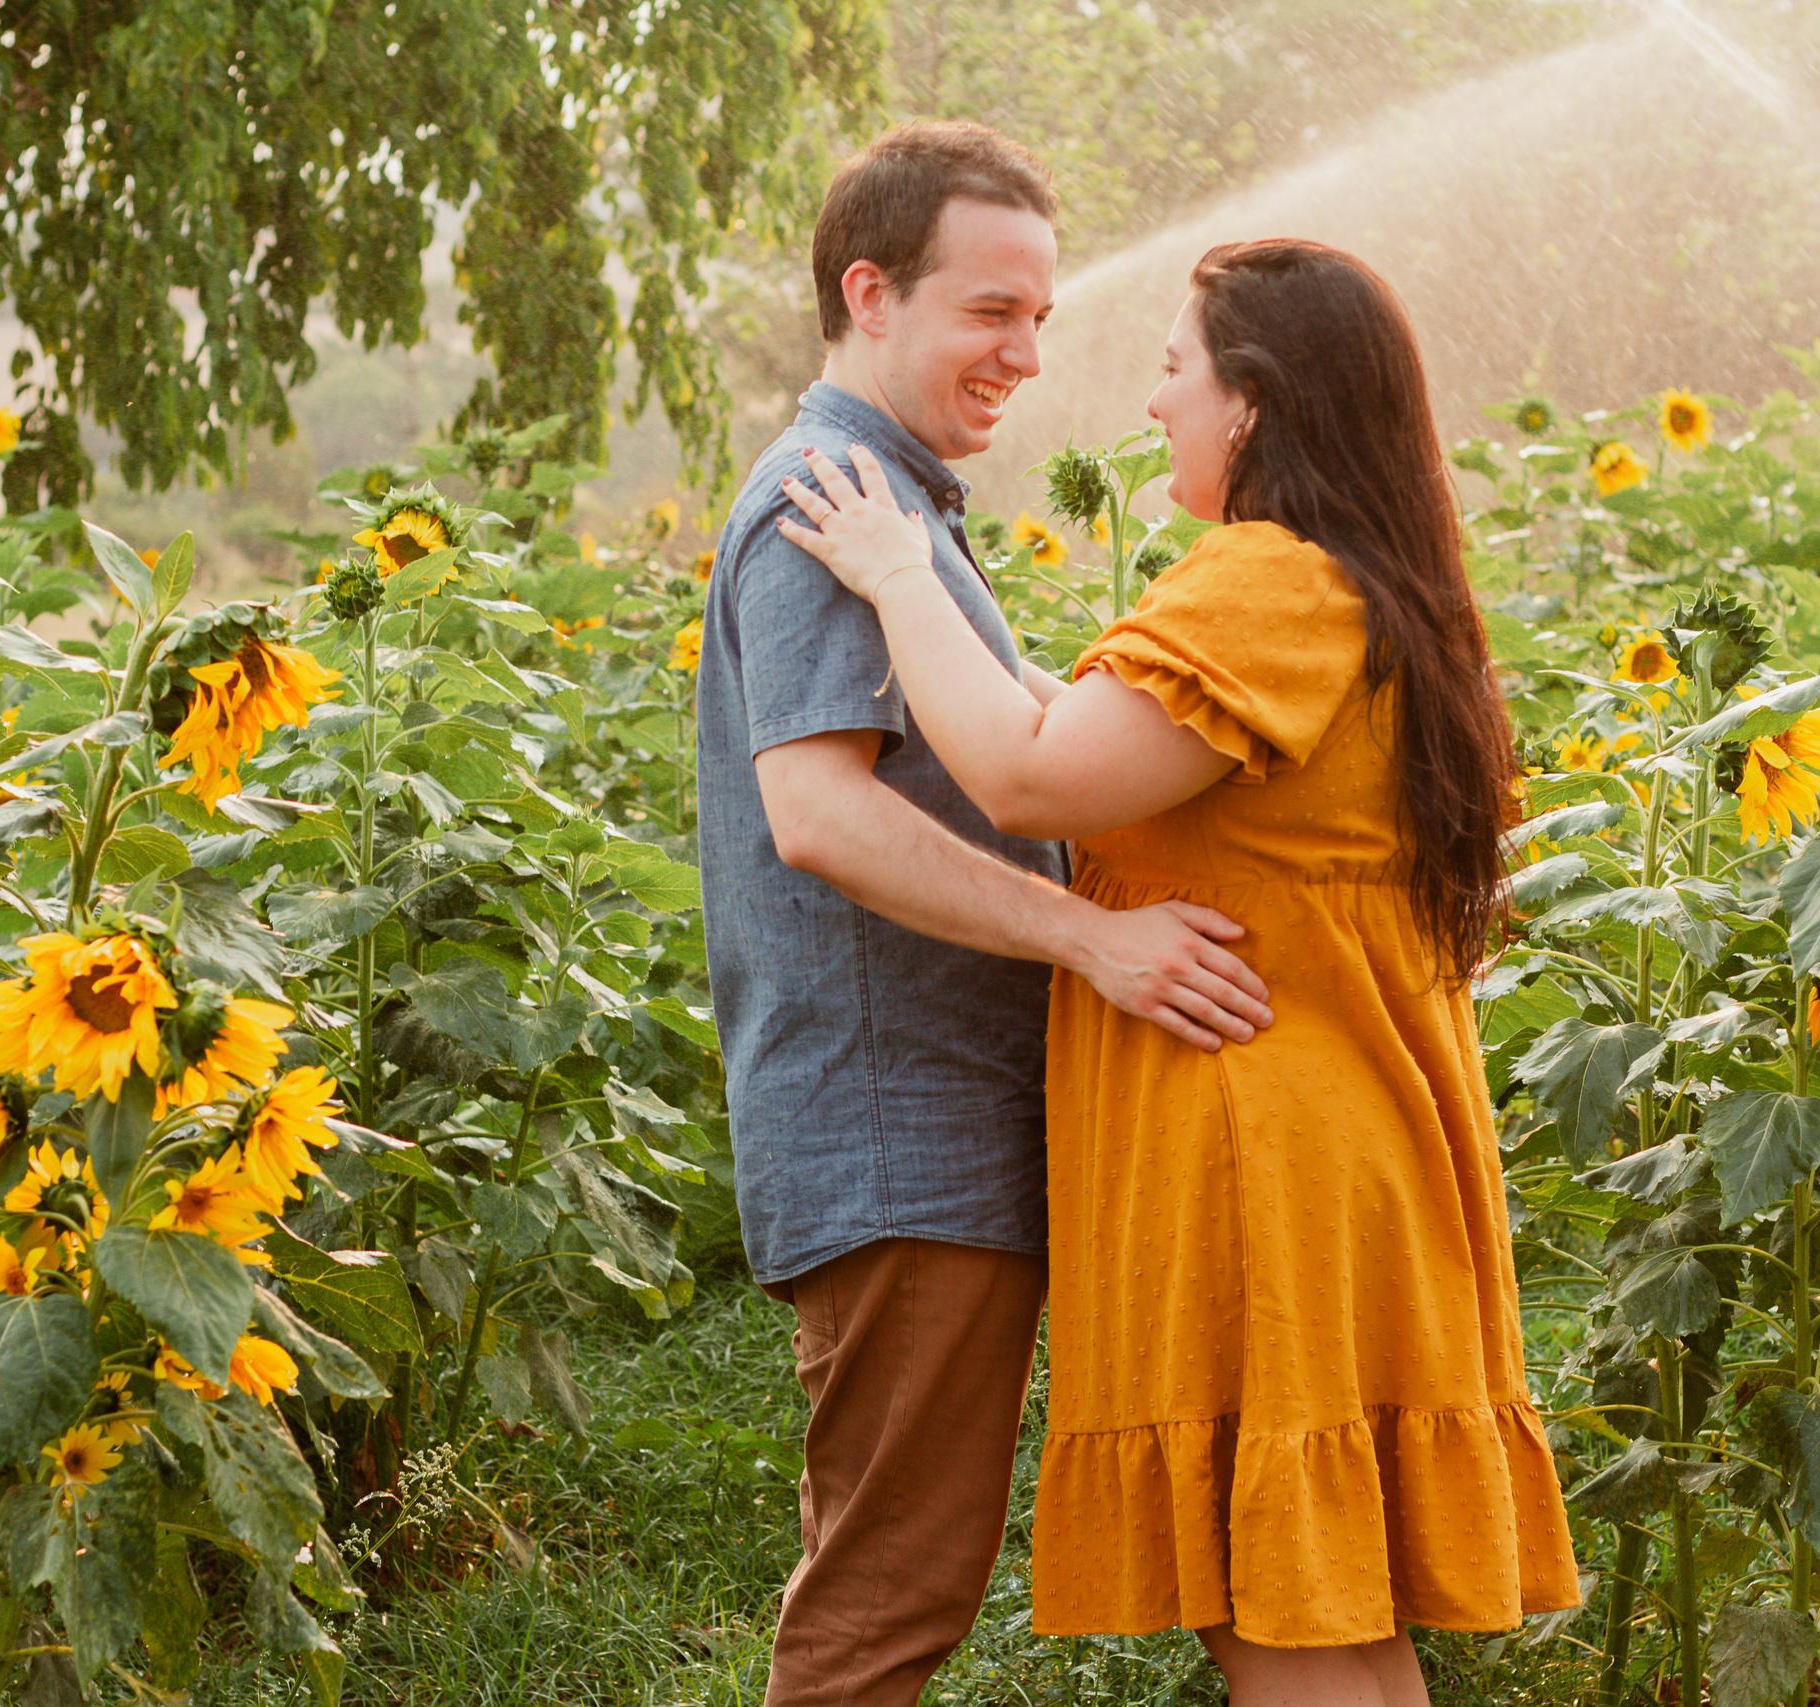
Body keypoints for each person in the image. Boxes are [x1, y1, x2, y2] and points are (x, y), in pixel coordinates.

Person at [775, 238, 1582, 1707]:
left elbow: (1029, 777)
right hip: (1327, 1148)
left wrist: (898, 573)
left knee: (1280, 1610)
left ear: (1254, 405)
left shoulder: (1265, 584)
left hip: (1260, 1167)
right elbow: (1082, 722)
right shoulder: (1348, 584)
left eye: (1171, 369)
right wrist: (943, 594)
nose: (1151, 405)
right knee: (1322, 1613)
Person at [694, 123, 1278, 1707]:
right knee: (889, 1599)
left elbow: (1033, 737)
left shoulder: (902, 502)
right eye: (988, 313)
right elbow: (816, 815)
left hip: (947, 1134)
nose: (1026, 354)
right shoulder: (830, 498)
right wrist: (1096, 943)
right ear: (869, 294)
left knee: (901, 1580)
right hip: (901, 1136)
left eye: (1041, 316)